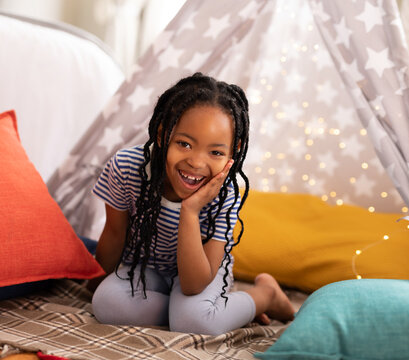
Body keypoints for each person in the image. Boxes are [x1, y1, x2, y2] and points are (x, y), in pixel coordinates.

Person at [89, 73, 294, 335]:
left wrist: (190, 210)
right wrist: (95, 283)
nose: (196, 162)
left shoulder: (225, 193)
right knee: (106, 304)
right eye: (184, 144)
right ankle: (210, 312)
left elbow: (194, 285)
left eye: (216, 152)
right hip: (145, 266)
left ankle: (265, 294)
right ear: (163, 135)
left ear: (234, 151)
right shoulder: (128, 167)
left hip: (201, 274)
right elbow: (115, 233)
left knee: (195, 323)